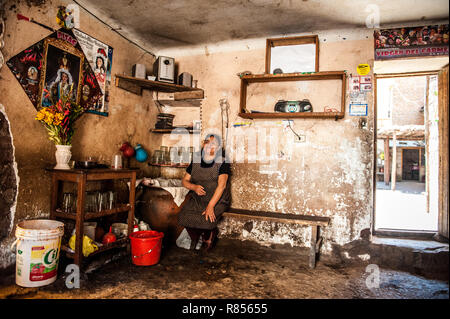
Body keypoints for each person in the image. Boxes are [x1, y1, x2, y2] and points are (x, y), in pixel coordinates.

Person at [178, 134, 231, 252]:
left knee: (207, 219)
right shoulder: (196, 161)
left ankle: (209, 235)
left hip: (218, 200)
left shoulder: (223, 162)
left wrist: (211, 206)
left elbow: (221, 186)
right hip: (199, 199)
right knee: (183, 216)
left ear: (218, 148)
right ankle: (195, 237)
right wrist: (194, 187)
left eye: (213, 144)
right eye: (207, 142)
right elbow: (184, 181)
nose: (209, 145)